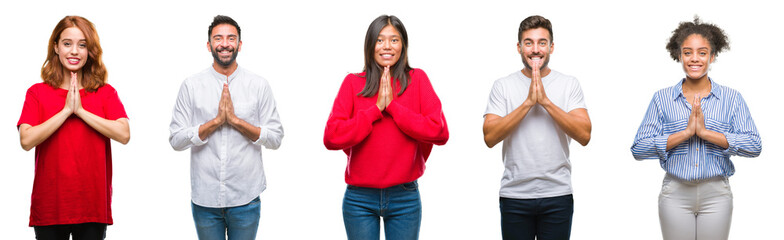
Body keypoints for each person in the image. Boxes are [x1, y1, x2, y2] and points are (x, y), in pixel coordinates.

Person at [631, 17, 762, 240]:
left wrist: (706, 134)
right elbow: (639, 149)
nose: (695, 59)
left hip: (717, 194)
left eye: (702, 53)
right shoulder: (662, 99)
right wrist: (685, 133)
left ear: (712, 57)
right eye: (688, 52)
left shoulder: (731, 98)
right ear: (679, 56)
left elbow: (754, 145)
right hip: (675, 193)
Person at [323, 15, 449, 240]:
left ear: (403, 45)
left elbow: (439, 132)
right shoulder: (353, 83)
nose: (387, 46)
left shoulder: (417, 79)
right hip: (359, 198)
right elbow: (332, 137)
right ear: (370, 45)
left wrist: (392, 107)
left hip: (405, 196)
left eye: (394, 40)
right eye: (380, 40)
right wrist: (375, 110)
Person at [169, 15, 283, 240]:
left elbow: (276, 137)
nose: (225, 44)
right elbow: (175, 139)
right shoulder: (191, 86)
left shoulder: (258, 85)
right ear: (209, 45)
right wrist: (215, 123)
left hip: (246, 198)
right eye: (218, 38)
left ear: (239, 45)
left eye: (231, 38)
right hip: (205, 199)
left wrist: (237, 122)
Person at [17, 16, 130, 240]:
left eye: (82, 44)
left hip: (92, 208)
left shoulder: (105, 92)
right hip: (50, 208)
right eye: (67, 43)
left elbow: (124, 134)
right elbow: (26, 140)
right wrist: (66, 111)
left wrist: (80, 111)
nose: (74, 51)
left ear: (90, 51)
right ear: (56, 48)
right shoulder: (37, 93)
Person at [482, 15, 592, 240]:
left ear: (551, 47)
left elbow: (584, 135)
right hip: (514, 195)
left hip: (558, 195)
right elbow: (489, 137)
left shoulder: (569, 84)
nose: (535, 49)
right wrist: (528, 103)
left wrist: (546, 102)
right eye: (529, 42)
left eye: (542, 43)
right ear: (519, 47)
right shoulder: (503, 86)